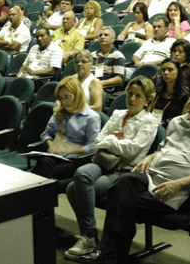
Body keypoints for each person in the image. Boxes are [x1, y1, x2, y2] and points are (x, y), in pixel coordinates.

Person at [78, 81, 190, 264]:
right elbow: (163, 149)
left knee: (119, 198)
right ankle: (113, 252)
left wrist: (180, 184)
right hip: (152, 176)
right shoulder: (178, 122)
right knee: (123, 182)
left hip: (179, 190)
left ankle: (110, 253)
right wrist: (151, 156)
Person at [64, 77, 158, 258]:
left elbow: (132, 151)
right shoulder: (118, 114)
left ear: (147, 100)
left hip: (124, 169)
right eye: (130, 94)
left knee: (72, 189)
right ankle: (89, 235)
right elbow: (98, 141)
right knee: (81, 175)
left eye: (138, 96)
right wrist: (114, 142)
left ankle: (88, 236)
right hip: (103, 161)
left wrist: (111, 140)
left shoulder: (149, 121)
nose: (132, 98)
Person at [32, 77, 101, 180]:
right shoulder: (59, 113)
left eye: (67, 97)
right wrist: (51, 145)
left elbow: (93, 147)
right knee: (44, 163)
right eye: (61, 98)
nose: (64, 102)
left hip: (76, 159)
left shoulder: (92, 117)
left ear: (77, 95)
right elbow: (46, 133)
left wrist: (70, 148)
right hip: (57, 156)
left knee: (43, 169)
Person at [151, 58, 189, 127]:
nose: (166, 72)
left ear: (178, 72)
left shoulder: (184, 97)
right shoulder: (157, 92)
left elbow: (183, 124)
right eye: (163, 70)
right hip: (151, 127)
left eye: (170, 69)